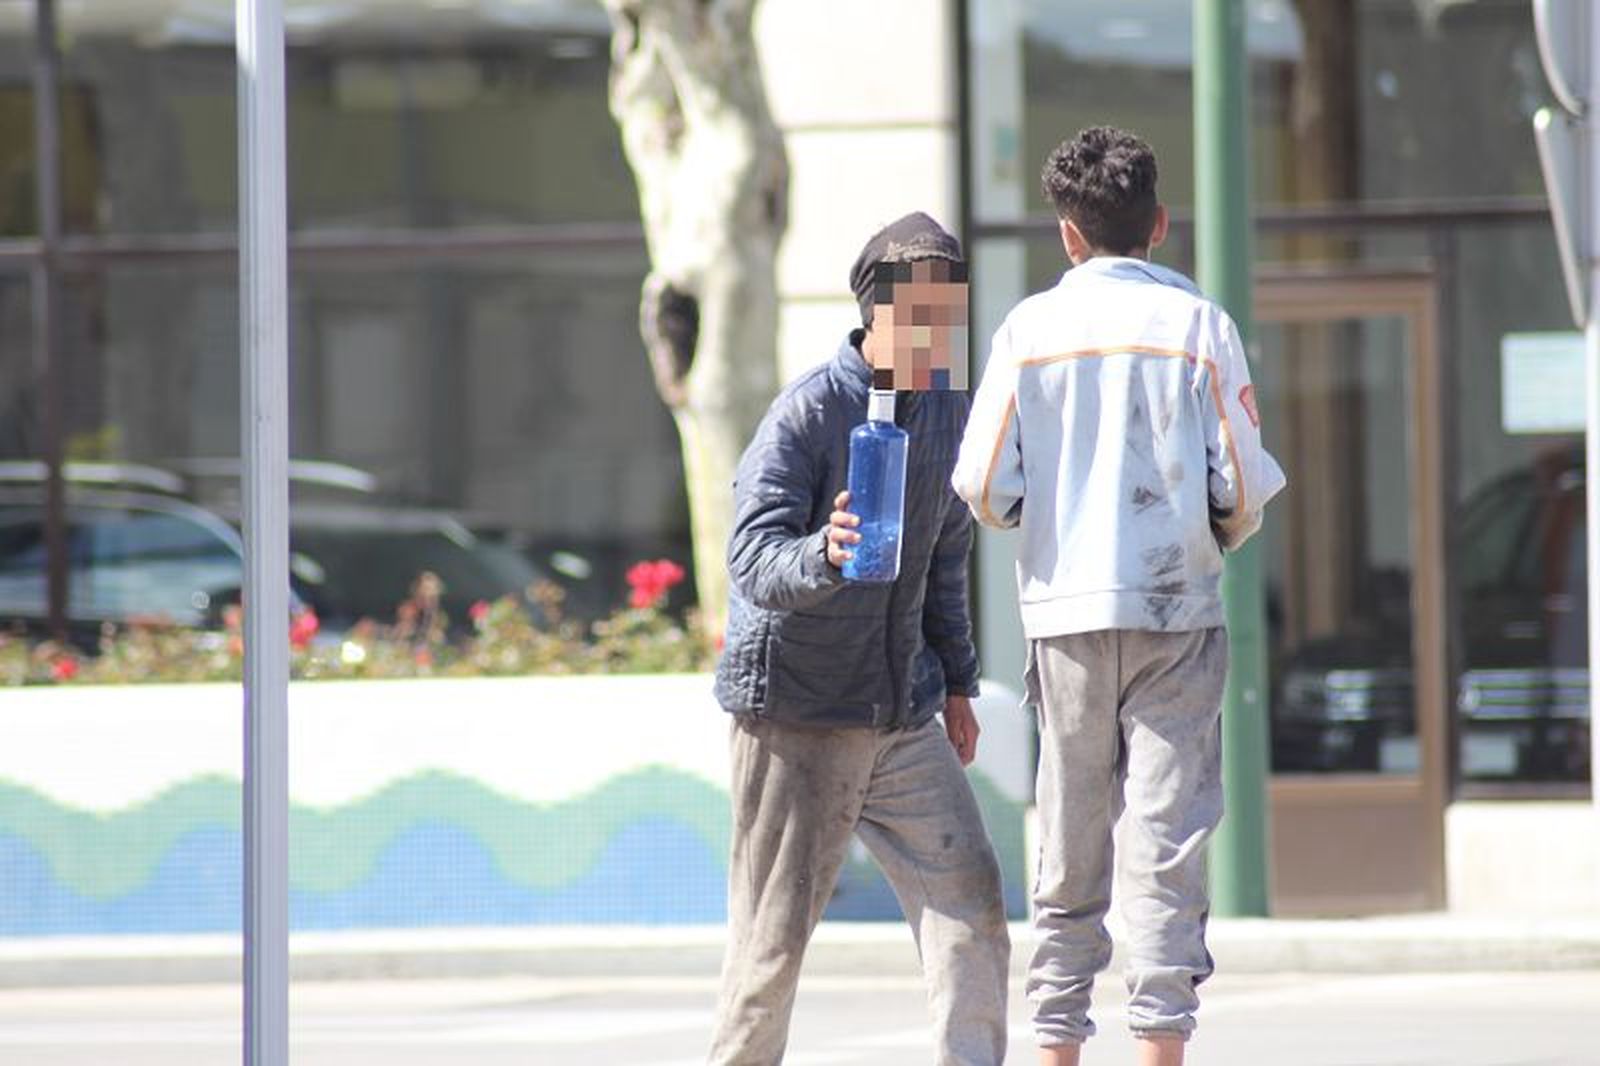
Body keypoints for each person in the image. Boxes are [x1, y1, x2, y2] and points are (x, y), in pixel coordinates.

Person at [952, 127, 1286, 1066]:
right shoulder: (1200, 325)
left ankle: (1058, 1044)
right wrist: (1213, 526)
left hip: (1063, 617)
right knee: (1168, 843)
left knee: (1067, 844)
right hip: (1177, 612)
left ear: (1068, 234)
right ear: (1162, 225)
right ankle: (1159, 1050)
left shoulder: (1025, 330)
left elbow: (982, 485)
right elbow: (1244, 485)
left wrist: (1047, 520)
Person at [708, 212, 1010, 1066]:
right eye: (917, 319)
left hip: (902, 712)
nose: (933, 336)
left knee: (972, 904)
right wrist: (825, 553)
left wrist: (957, 681)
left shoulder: (950, 408)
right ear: (873, 316)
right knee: (771, 947)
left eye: (946, 319)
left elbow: (948, 549)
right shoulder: (807, 413)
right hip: (797, 714)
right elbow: (752, 559)